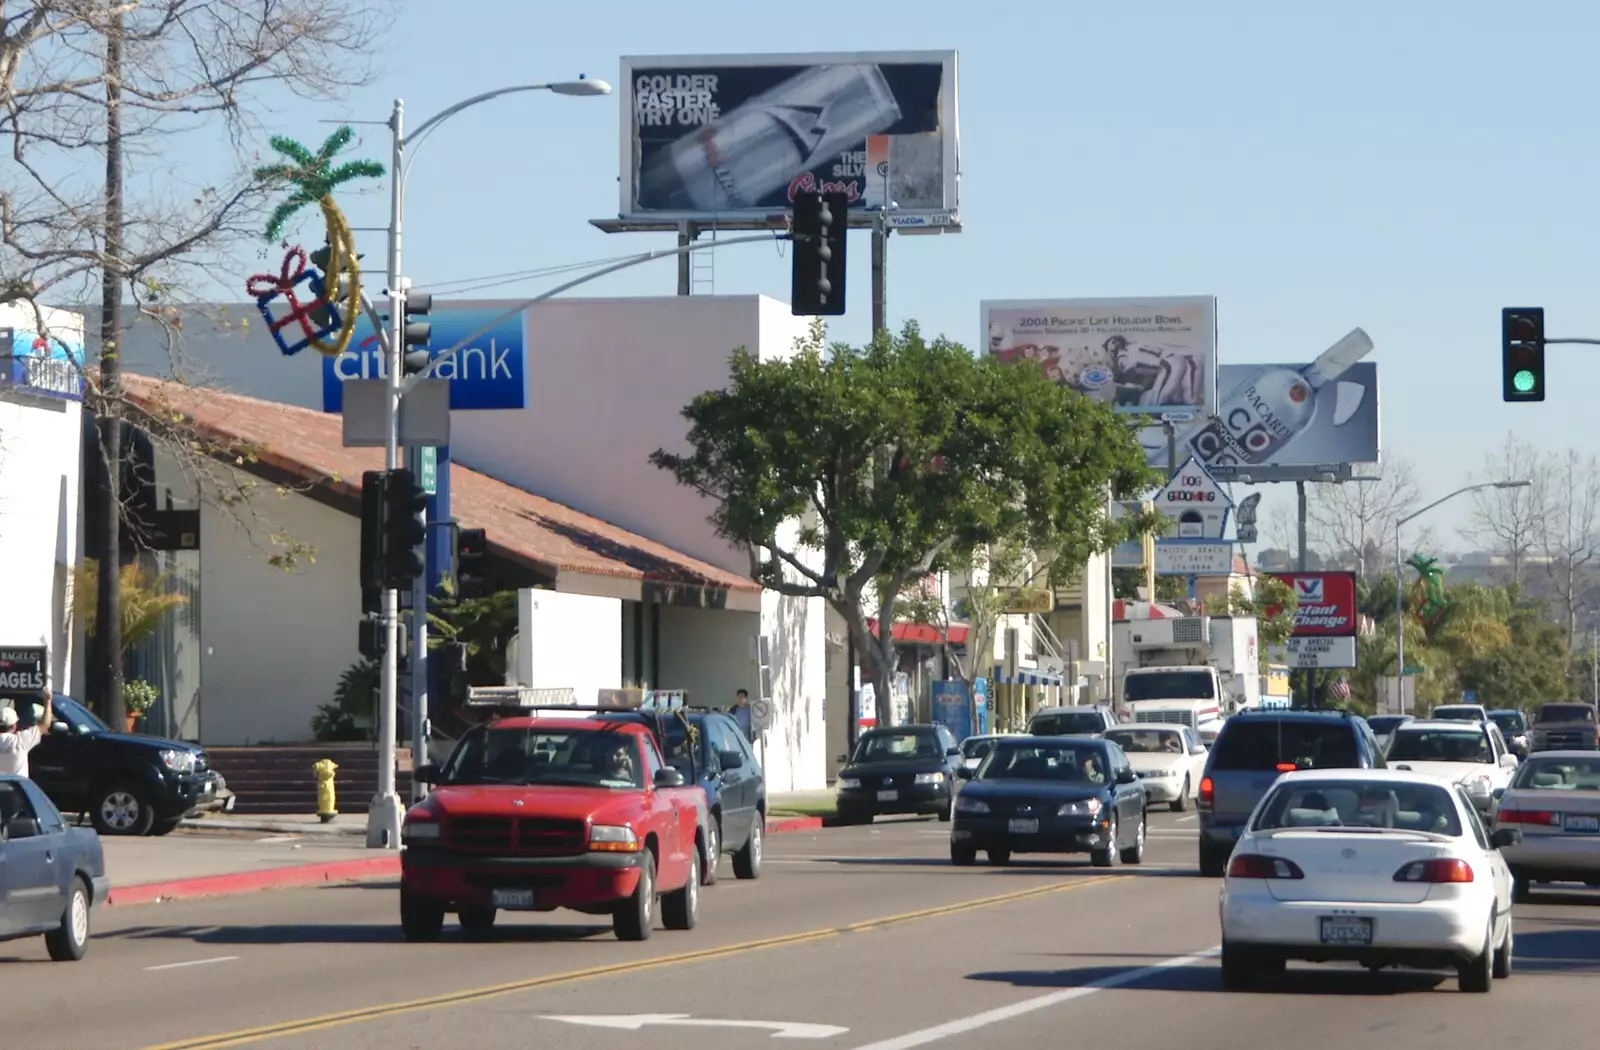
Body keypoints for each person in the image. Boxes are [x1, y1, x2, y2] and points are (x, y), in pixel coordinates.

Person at [0, 687, 53, 778]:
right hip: (16, 790)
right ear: (14, 726)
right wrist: (48, 700)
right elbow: (45, 724)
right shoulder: (21, 741)